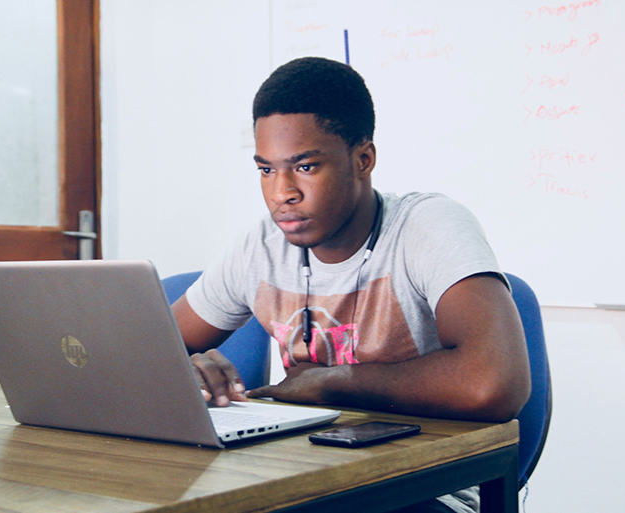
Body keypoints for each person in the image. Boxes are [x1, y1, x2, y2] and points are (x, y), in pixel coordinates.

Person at [171, 57, 531, 513]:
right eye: (266, 170)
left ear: (363, 159)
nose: (282, 192)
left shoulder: (428, 226)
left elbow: (493, 384)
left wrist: (332, 382)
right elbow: (148, 350)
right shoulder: (260, 245)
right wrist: (183, 371)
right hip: (302, 476)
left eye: (304, 167)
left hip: (425, 485)